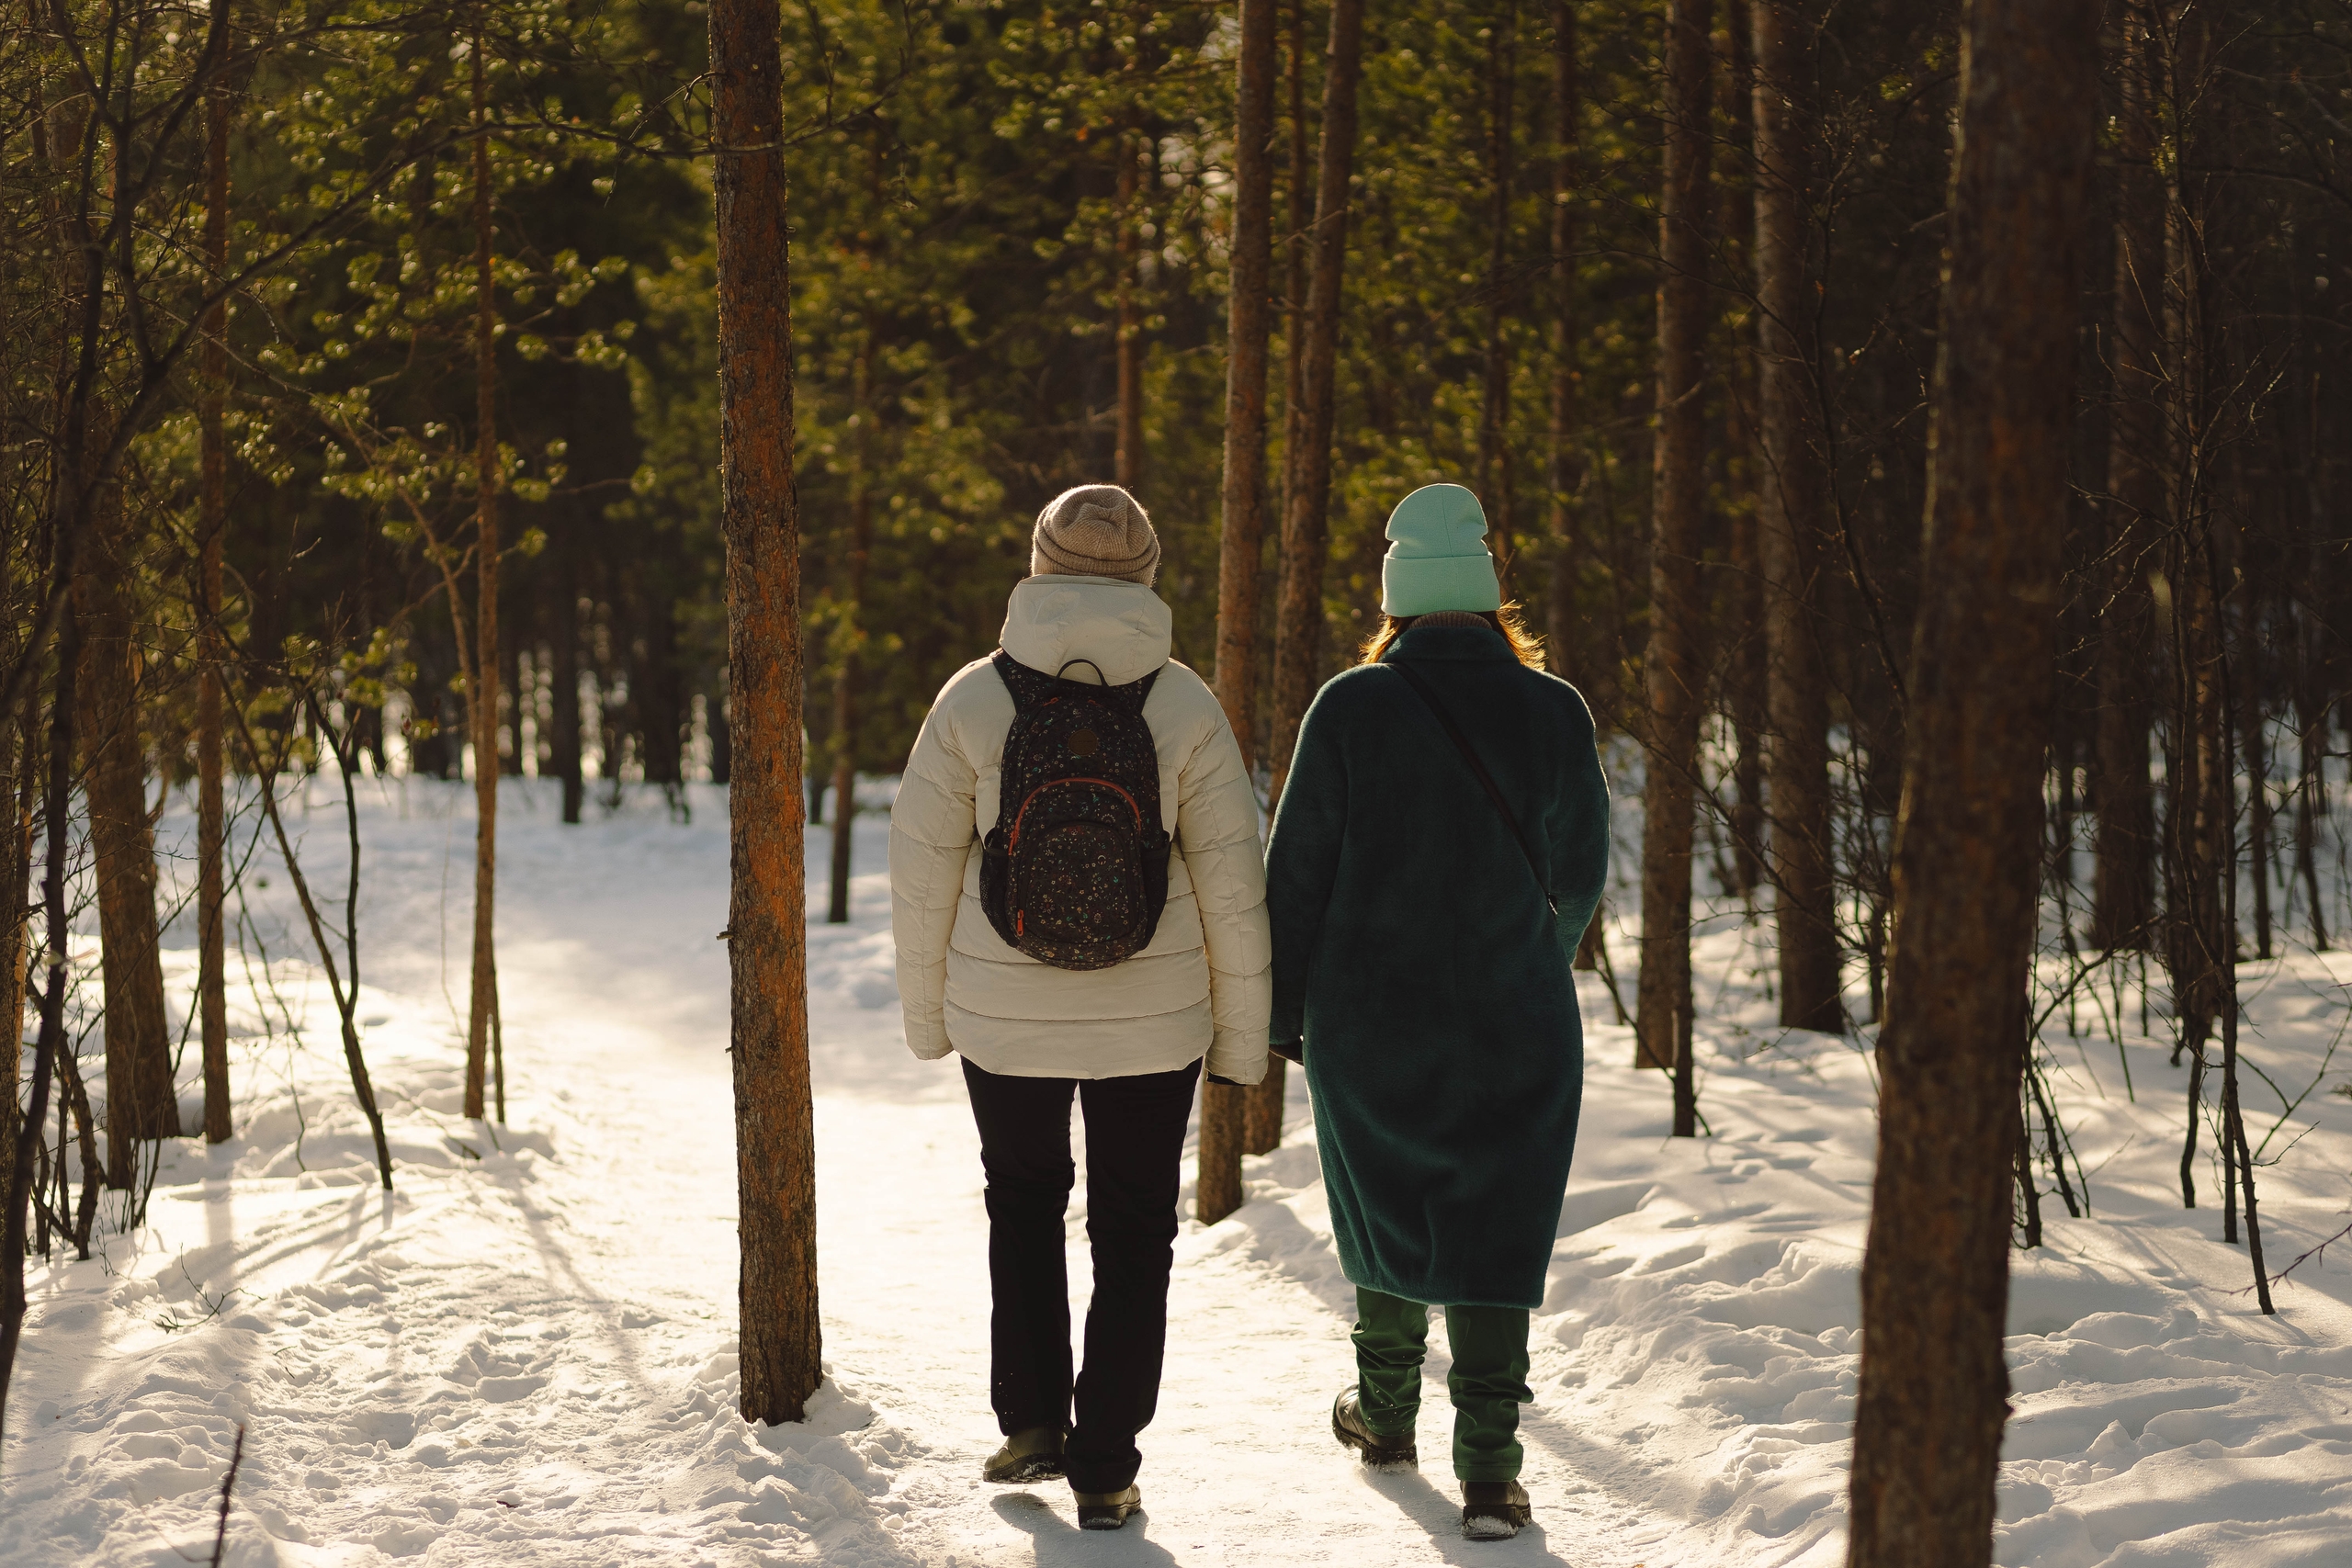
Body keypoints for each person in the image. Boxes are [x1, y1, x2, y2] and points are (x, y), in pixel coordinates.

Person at [889, 483, 1272, 1532]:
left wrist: (932, 1018)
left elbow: (921, 875)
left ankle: (1029, 1426)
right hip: (1156, 1019)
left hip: (1001, 1014)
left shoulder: (971, 699)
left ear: (1038, 568)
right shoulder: (1185, 704)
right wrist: (1239, 1043)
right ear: (1147, 575)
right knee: (1136, 1230)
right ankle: (1106, 1464)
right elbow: (1234, 887)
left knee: (1020, 1204)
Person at [1264, 482, 1610, 1542]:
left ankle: (1384, 1412)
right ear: (1491, 597)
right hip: (1516, 1017)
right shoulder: (1553, 708)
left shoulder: (1351, 704)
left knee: (1386, 1206)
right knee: (1495, 1222)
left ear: (1396, 603)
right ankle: (1494, 1473)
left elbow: (1296, 875)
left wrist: (1286, 1015)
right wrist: (1523, 964)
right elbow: (1583, 876)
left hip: (1369, 1017)